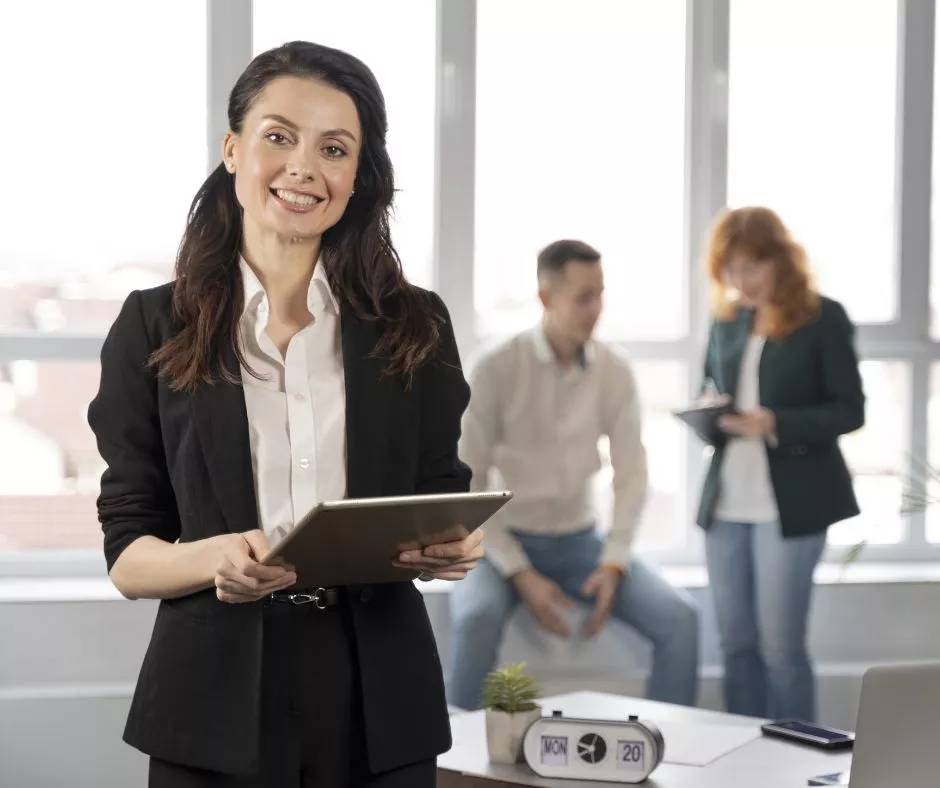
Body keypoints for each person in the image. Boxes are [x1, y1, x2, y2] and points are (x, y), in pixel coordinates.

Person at [87, 41, 482, 788]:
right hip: (213, 699)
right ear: (232, 149)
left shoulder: (416, 325)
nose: (304, 166)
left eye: (334, 148)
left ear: (357, 177)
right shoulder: (152, 326)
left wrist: (449, 549)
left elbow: (438, 493)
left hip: (379, 698)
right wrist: (214, 560)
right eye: (279, 136)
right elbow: (128, 554)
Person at [446, 239, 700, 711]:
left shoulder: (614, 370)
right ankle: (450, 770)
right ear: (546, 297)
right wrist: (520, 573)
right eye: (584, 296)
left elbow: (632, 473)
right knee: (476, 617)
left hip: (581, 543)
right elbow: (469, 482)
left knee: (681, 620)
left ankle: (669, 756)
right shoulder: (497, 368)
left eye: (600, 294)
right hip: (501, 543)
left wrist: (613, 562)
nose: (596, 309)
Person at [696, 206, 865, 722]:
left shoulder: (821, 317)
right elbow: (711, 385)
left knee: (780, 648)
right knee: (734, 645)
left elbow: (850, 409)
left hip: (789, 506)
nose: (739, 282)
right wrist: (708, 409)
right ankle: (743, 760)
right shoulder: (728, 321)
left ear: (780, 261)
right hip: (727, 503)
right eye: (729, 271)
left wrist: (776, 422)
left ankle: (797, 764)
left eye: (750, 268)